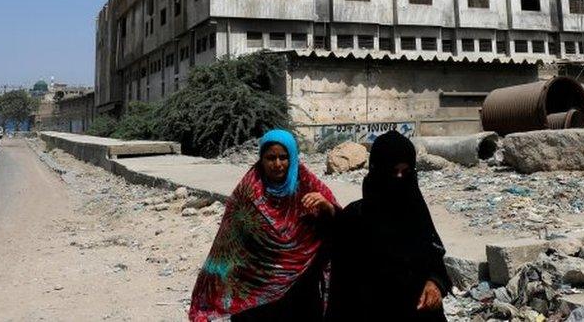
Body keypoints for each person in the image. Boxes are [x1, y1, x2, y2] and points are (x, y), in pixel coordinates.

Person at [189, 129, 337, 322]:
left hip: (302, 286)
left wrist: (326, 207)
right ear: (261, 159)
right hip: (258, 283)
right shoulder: (249, 190)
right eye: (271, 158)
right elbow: (229, 240)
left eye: (283, 157)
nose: (277, 164)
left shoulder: (307, 183)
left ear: (292, 157)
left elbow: (337, 225)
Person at [326, 130, 451, 322]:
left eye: (406, 172)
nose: (399, 179)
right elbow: (340, 290)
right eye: (392, 172)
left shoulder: (415, 211)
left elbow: (435, 262)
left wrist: (435, 284)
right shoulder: (353, 219)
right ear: (377, 170)